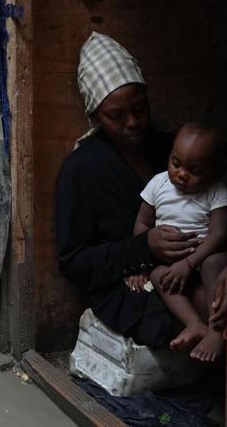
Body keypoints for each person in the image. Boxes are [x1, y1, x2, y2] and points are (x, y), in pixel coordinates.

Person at [56, 32, 206, 351]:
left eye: (140, 108)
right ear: (95, 115)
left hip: (196, 264)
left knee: (225, 297)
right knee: (184, 315)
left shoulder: (172, 150)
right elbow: (73, 262)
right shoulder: (81, 170)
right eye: (116, 116)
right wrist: (142, 247)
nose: (133, 122)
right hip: (129, 287)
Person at [130, 121, 227, 362]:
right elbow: (142, 224)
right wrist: (140, 262)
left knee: (214, 264)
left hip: (201, 260)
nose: (181, 174)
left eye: (195, 170)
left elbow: (219, 234)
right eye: (175, 163)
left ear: (217, 170)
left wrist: (188, 264)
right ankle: (194, 324)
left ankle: (216, 329)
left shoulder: (216, 192)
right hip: (169, 262)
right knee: (157, 276)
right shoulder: (158, 183)